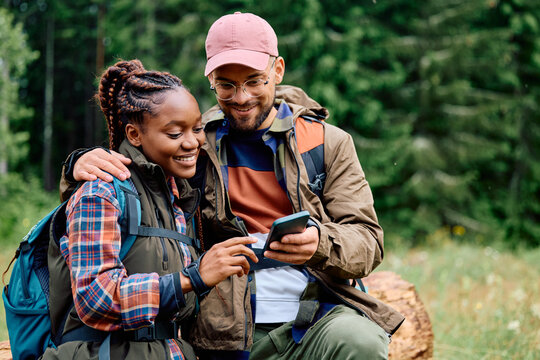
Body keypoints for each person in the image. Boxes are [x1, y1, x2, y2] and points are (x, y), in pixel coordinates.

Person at [62, 13, 404, 360]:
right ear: (211, 79)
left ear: (278, 70)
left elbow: (368, 241)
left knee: (362, 343)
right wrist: (76, 164)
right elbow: (139, 164)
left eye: (255, 81)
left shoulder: (326, 143)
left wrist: (321, 244)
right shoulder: (197, 142)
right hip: (224, 329)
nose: (241, 97)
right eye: (226, 85)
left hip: (320, 318)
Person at [45, 59, 258, 360]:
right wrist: (192, 278)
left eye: (197, 129)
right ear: (134, 135)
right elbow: (96, 298)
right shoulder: (101, 192)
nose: (192, 143)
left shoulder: (177, 199)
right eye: (174, 134)